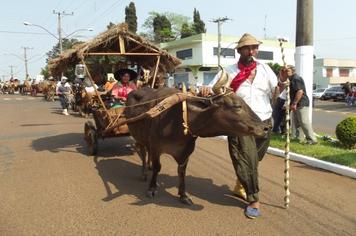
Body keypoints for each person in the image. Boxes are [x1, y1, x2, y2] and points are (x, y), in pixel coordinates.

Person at [201, 33, 278, 219]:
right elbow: (212, 89)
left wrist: (283, 82)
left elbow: (276, 92)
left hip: (264, 121)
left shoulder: (266, 69)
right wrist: (205, 89)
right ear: (240, 51)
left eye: (254, 47)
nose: (251, 51)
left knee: (255, 159)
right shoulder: (229, 71)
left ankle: (241, 183)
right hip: (239, 125)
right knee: (247, 161)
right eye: (247, 48)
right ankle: (254, 200)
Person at [279, 66, 317, 144]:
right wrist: (281, 73)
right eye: (285, 71)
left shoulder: (296, 79)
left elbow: (300, 91)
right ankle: (299, 137)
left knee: (303, 121)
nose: (286, 72)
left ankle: (312, 139)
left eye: (287, 71)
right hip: (296, 103)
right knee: (297, 122)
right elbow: (281, 81)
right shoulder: (290, 79)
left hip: (301, 103)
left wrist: (294, 103)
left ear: (292, 71)